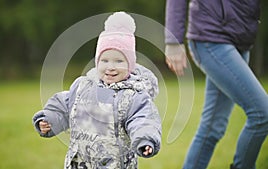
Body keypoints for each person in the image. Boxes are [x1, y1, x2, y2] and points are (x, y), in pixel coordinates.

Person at [33, 11, 161, 169]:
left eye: (119, 61)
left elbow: (143, 120)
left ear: (131, 65)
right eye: (105, 60)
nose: (110, 67)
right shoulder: (82, 87)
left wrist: (145, 140)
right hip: (80, 163)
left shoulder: (134, 96)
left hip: (115, 164)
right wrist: (49, 120)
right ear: (97, 62)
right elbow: (64, 106)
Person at [165, 0, 268, 169]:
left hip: (240, 39)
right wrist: (173, 40)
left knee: (212, 128)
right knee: (262, 114)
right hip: (211, 37)